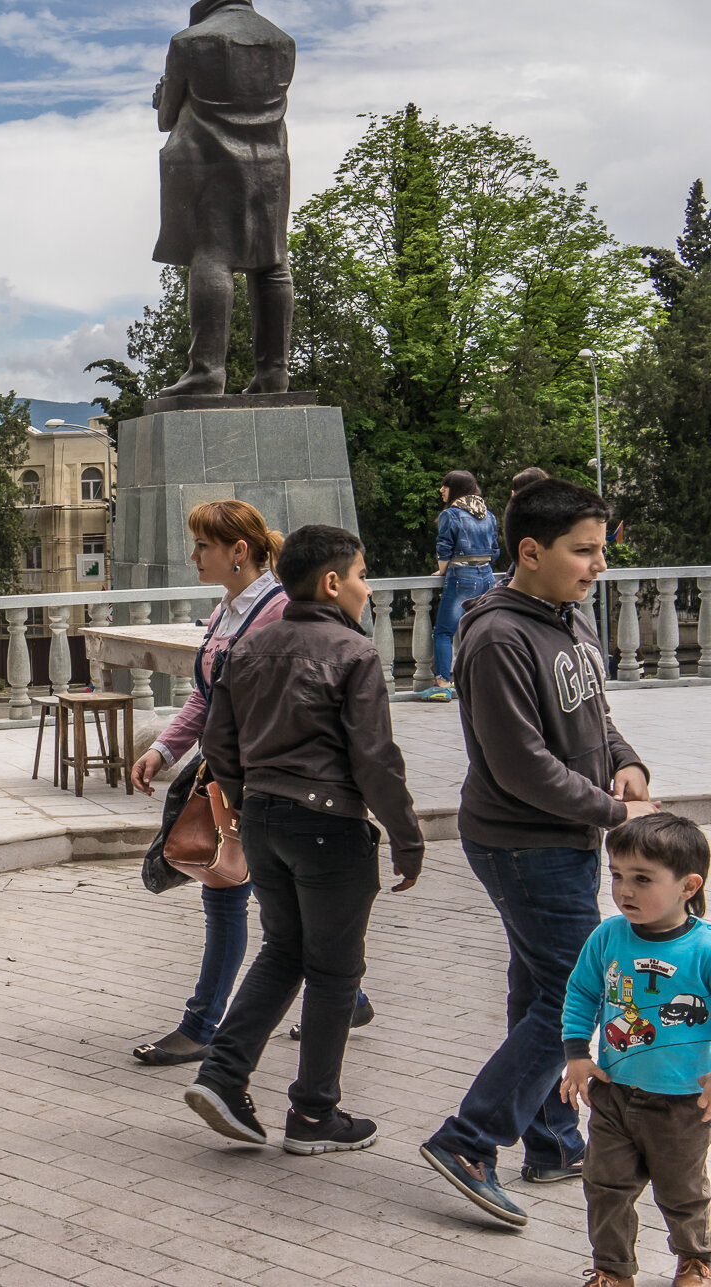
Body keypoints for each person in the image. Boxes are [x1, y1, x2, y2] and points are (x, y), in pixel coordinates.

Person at [420, 478, 659, 1228]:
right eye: (583, 550)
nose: (598, 565)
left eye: (601, 549)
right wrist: (617, 811)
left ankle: (552, 1141)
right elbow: (520, 762)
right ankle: (468, 1139)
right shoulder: (495, 637)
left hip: (564, 835)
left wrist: (627, 762)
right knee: (572, 994)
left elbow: (596, 712)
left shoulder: (572, 618)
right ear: (530, 550)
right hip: (522, 842)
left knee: (540, 988)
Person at [181, 525, 424, 1155]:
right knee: (335, 971)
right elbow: (375, 758)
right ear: (333, 582)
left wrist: (244, 795)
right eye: (363, 575)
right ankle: (315, 1114)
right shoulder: (354, 652)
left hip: (263, 818)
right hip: (327, 826)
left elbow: (218, 742)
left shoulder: (249, 648)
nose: (368, 590)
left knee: (284, 949)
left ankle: (223, 1075)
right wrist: (406, 836)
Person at [128, 501, 374, 1065]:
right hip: (236, 777)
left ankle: (203, 1027)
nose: (193, 556)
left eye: (203, 546)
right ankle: (347, 995)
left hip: (264, 782)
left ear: (239, 552)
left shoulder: (280, 609)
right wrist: (165, 748)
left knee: (234, 892)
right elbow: (207, 695)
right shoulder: (229, 610)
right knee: (256, 894)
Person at [559, 813, 711, 1287]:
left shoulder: (704, 948)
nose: (625, 890)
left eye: (642, 879)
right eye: (618, 875)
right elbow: (582, 992)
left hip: (684, 1102)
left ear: (688, 885)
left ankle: (697, 1260)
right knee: (604, 1186)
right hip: (614, 1094)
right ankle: (612, 1269)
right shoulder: (608, 936)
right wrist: (577, 1053)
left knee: (682, 1192)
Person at [150, 0, 297, 398]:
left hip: (208, 161)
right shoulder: (282, 41)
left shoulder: (190, 42)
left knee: (212, 255)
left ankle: (207, 371)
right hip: (270, 163)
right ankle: (274, 374)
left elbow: (168, 116)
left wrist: (160, 98)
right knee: (272, 262)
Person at [424, 470, 501, 702]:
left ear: (454, 489)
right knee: (481, 630)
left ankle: (442, 685)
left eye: (445, 486)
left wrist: (443, 568)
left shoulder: (451, 514)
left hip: (461, 576)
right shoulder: (489, 515)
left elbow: (444, 546)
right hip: (487, 576)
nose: (441, 490)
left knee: (444, 632)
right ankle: (484, 681)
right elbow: (495, 550)